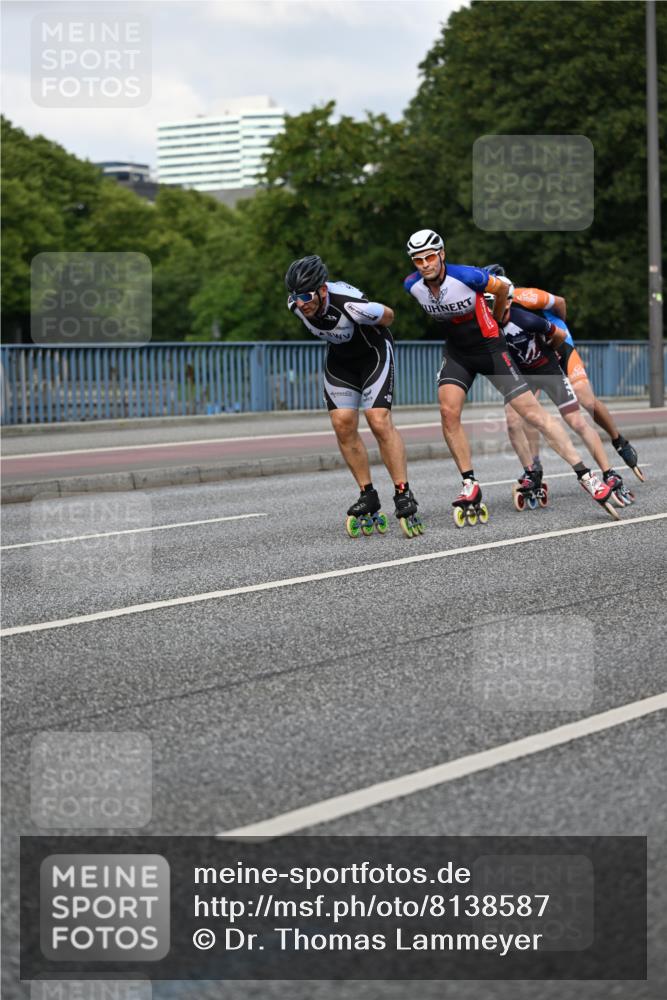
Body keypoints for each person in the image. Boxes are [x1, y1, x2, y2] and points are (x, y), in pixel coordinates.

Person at [403, 230, 618, 522]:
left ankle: (586, 475)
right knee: (447, 411)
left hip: (491, 349)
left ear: (441, 254)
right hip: (458, 354)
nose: (425, 264)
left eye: (430, 257)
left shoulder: (468, 277)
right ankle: (470, 483)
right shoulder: (412, 286)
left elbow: (502, 287)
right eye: (418, 260)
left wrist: (498, 314)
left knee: (534, 415)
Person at [285, 254, 423, 538]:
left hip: (373, 353)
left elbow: (390, 316)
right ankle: (368, 494)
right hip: (341, 361)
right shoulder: (296, 305)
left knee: (378, 420)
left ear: (322, 289)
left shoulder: (348, 302)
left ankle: (403, 492)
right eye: (296, 296)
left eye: (306, 295)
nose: (301, 302)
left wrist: (373, 313)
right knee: (342, 423)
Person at [486, 267, 644, 481]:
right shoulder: (485, 311)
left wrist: (560, 331)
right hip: (529, 356)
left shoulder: (526, 296)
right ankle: (535, 466)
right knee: (523, 412)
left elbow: (560, 302)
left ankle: (618, 440)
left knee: (585, 398)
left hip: (557, 344)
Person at [492, 297, 635, 508]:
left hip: (548, 370)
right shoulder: (488, 324)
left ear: (508, 302)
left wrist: (551, 350)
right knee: (513, 421)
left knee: (576, 421)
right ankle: (532, 471)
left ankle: (609, 473)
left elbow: (559, 333)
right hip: (521, 376)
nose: (491, 309)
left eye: (495, 303)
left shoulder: (525, 318)